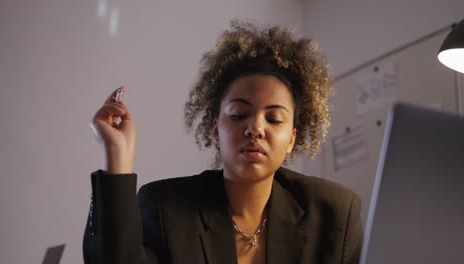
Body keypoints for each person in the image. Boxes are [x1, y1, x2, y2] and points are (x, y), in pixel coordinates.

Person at [83, 20, 363, 264]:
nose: (255, 128)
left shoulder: (334, 213)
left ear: (292, 139)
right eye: (239, 114)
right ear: (215, 130)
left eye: (274, 119)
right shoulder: (165, 208)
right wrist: (117, 153)